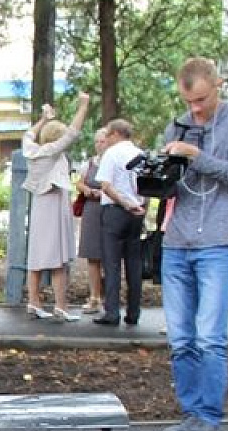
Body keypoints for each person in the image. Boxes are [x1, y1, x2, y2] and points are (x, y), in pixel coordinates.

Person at [158, 57, 228, 431]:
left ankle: (209, 418)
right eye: (189, 101)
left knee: (209, 337)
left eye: (201, 99)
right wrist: (157, 173)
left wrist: (196, 156)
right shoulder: (178, 126)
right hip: (177, 240)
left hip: (217, 239)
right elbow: (173, 189)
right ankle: (190, 413)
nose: (195, 109)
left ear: (218, 85)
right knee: (181, 338)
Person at [21, 92, 90, 322]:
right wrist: (83, 106)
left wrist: (43, 118)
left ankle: (34, 301)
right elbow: (72, 133)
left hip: (41, 204)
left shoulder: (32, 150)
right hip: (54, 203)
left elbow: (29, 134)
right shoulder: (51, 153)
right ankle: (60, 306)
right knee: (57, 257)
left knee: (38, 256)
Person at [93, 118, 146, 327]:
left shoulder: (111, 154)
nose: (105, 138)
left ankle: (112, 312)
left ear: (115, 134)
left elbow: (105, 185)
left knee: (112, 263)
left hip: (115, 211)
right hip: (137, 212)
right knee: (134, 263)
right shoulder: (139, 154)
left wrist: (124, 203)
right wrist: (140, 207)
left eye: (107, 134)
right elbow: (145, 186)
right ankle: (133, 312)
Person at [74, 127, 109, 314]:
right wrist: (85, 189)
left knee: (110, 256)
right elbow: (79, 181)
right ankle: (94, 296)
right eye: (96, 141)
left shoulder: (114, 161)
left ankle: (109, 297)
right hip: (91, 210)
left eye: (102, 141)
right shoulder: (89, 163)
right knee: (92, 255)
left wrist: (104, 193)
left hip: (109, 208)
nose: (99, 145)